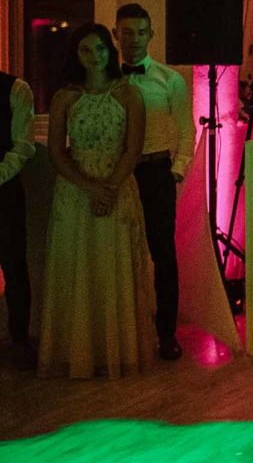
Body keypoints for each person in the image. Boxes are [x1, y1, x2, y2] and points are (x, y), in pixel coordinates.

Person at [37, 24, 153, 379]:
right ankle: (78, 354)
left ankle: (115, 352)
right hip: (75, 191)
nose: (94, 57)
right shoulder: (65, 97)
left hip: (117, 187)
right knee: (77, 268)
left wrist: (110, 188)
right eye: (86, 50)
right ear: (76, 55)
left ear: (110, 51)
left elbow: (133, 149)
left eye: (100, 49)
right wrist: (89, 188)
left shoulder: (129, 94)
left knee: (111, 267)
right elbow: (57, 152)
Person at [113, 3, 195, 361]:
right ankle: (120, 332)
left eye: (140, 32)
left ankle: (166, 334)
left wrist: (176, 171)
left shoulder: (169, 80)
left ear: (151, 35)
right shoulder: (104, 79)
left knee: (163, 255)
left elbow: (186, 130)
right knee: (115, 252)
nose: (133, 39)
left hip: (156, 172)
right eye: (126, 32)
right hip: (116, 173)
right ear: (115, 35)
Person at [0, 68, 36, 370]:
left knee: (14, 266)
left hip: (4, 193)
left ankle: (20, 338)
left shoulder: (16, 89)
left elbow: (23, 146)